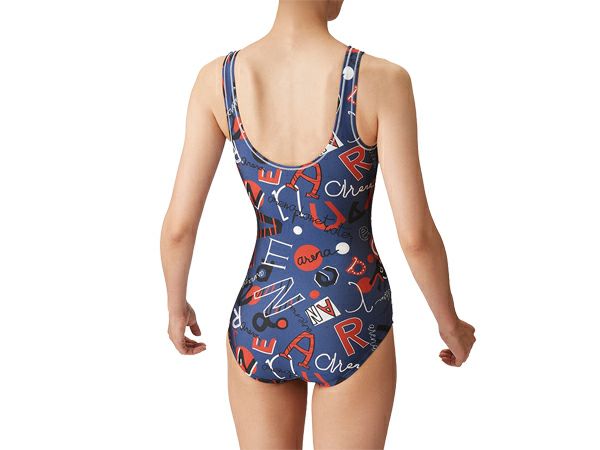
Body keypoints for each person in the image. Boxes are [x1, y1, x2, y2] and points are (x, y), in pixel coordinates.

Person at [160, 0, 476, 448]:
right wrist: (449, 323)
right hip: (352, 307)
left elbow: (179, 226)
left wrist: (176, 308)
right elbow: (416, 236)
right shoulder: (381, 80)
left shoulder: (219, 80)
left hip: (260, 313)